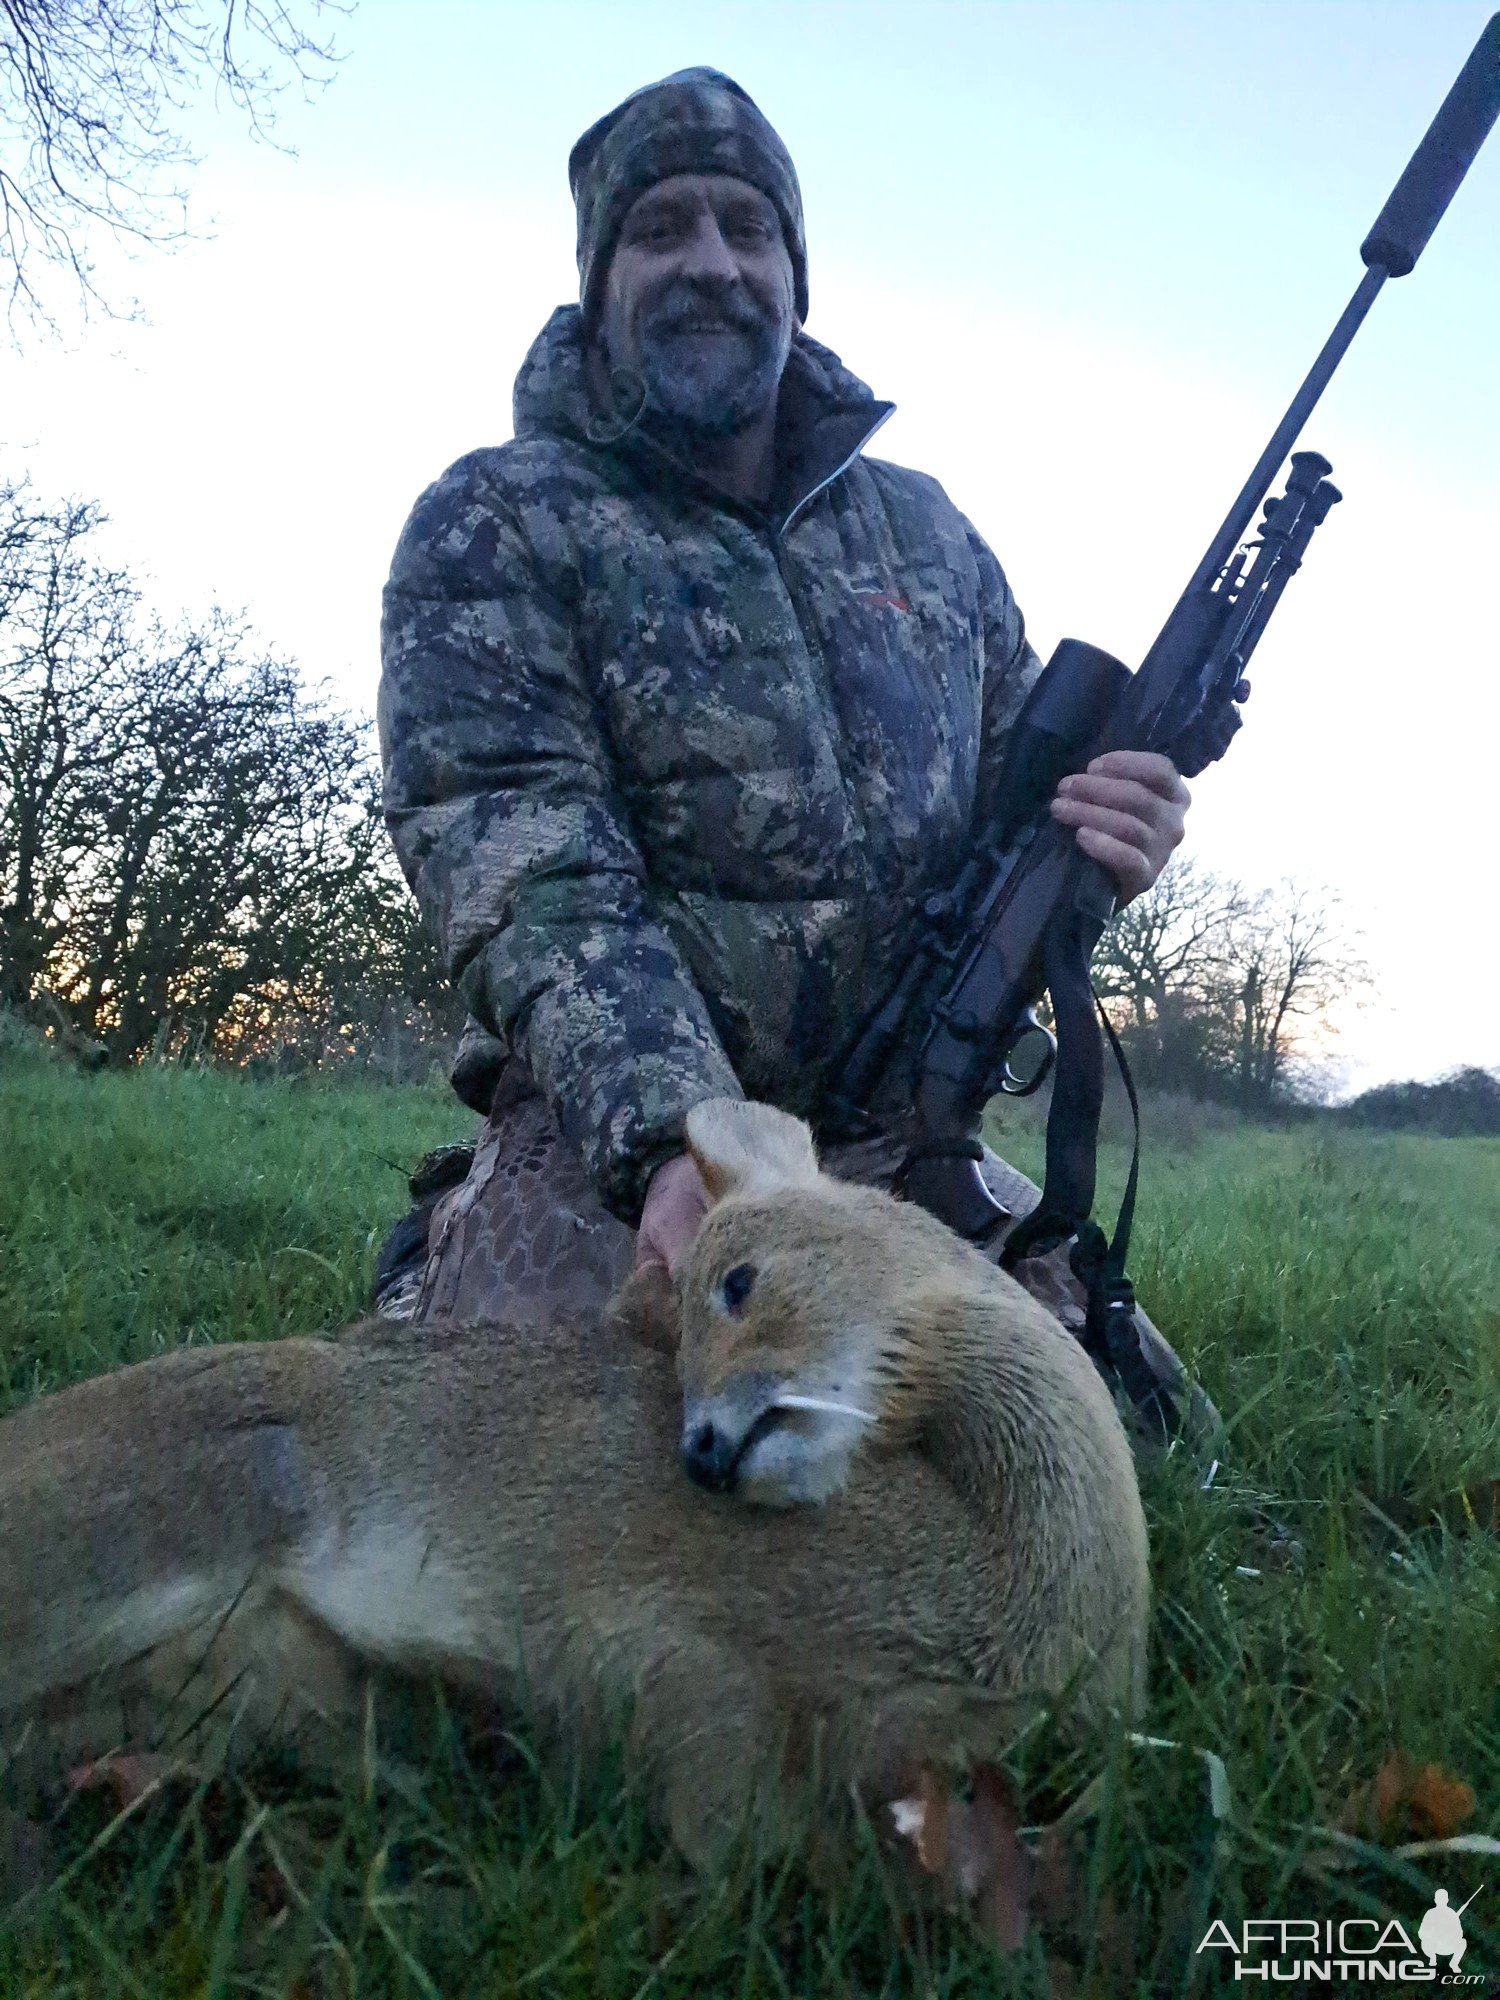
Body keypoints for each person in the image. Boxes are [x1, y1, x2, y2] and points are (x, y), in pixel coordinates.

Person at [375, 67, 1211, 1440]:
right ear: (600, 279)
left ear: (796, 277)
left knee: (1112, 1424)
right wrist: (679, 1142)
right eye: (664, 230)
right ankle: (457, 1247)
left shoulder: (929, 538)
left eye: (747, 230)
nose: (712, 261)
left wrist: (1113, 846)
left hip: (898, 1140)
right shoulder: (495, 524)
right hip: (619, 1146)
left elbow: (1018, 836)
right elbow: (528, 866)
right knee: (583, 1453)